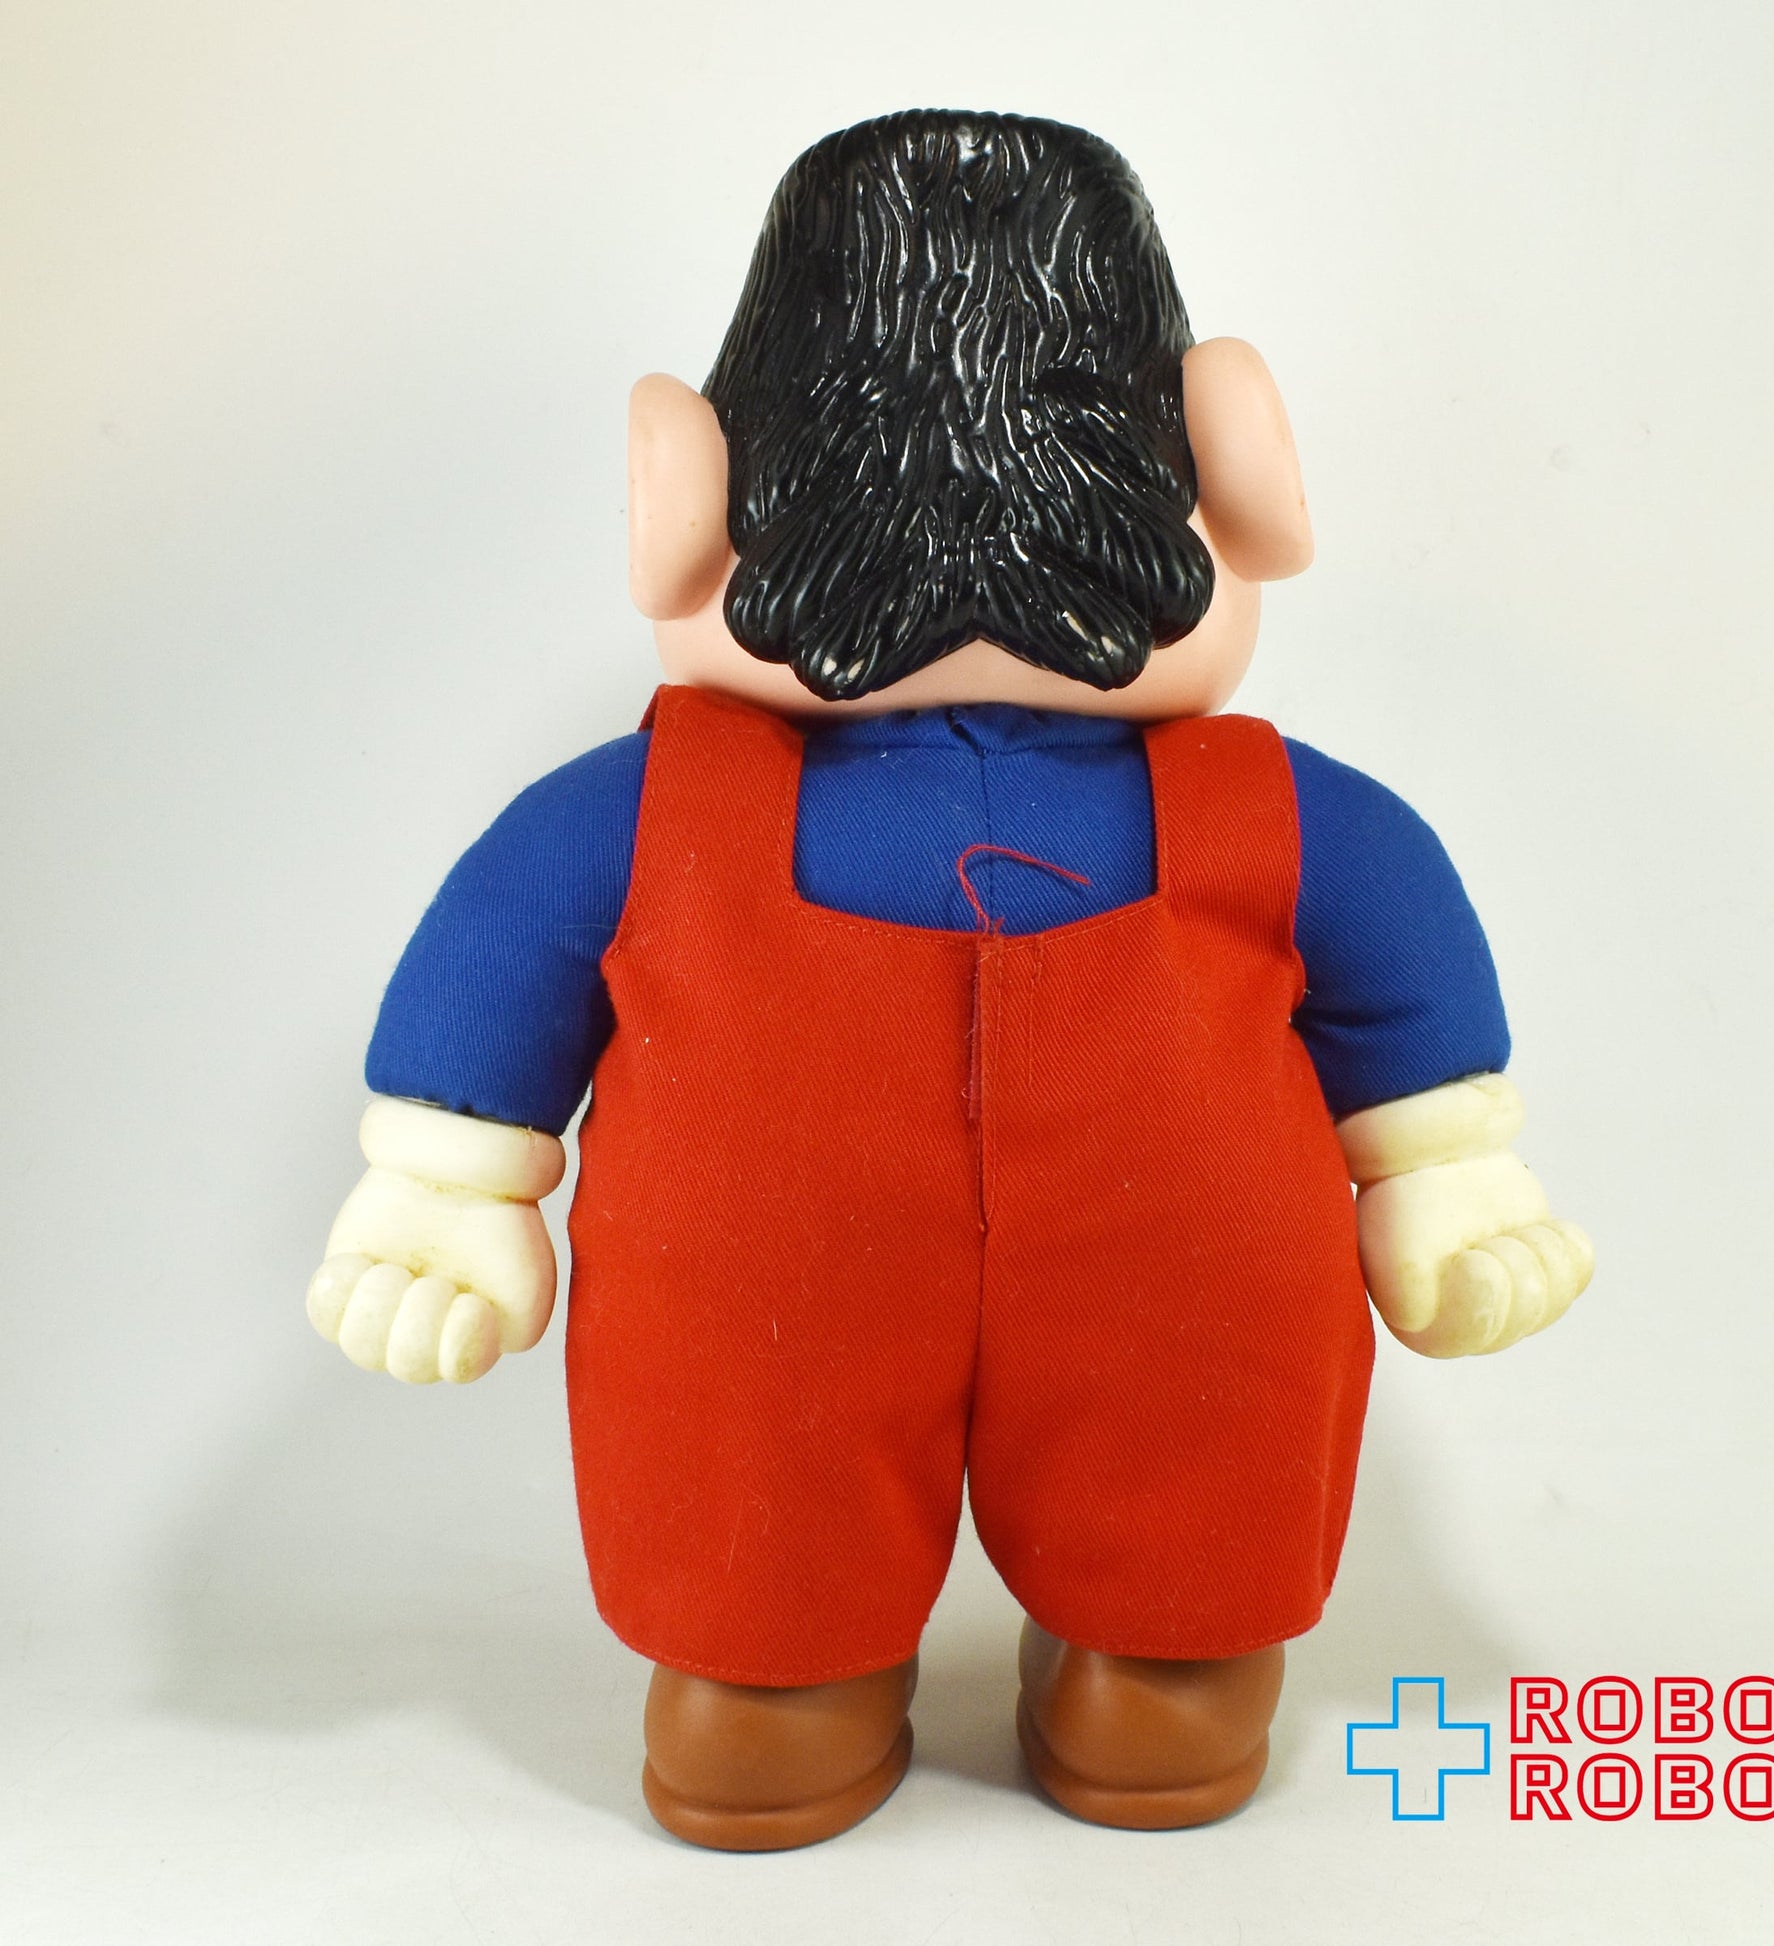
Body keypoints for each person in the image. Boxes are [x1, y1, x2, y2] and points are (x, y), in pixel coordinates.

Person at [306, 110, 1593, 1850]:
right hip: (761, 1290)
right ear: (1234, 462)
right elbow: (501, 961)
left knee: (1196, 1472)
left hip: (1183, 1268)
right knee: (751, 1489)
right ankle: (780, 1663)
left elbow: (1400, 985)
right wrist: (444, 1180)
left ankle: (1160, 1645)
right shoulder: (654, 807)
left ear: (682, 486)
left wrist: (1445, 1165)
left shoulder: (1271, 812)